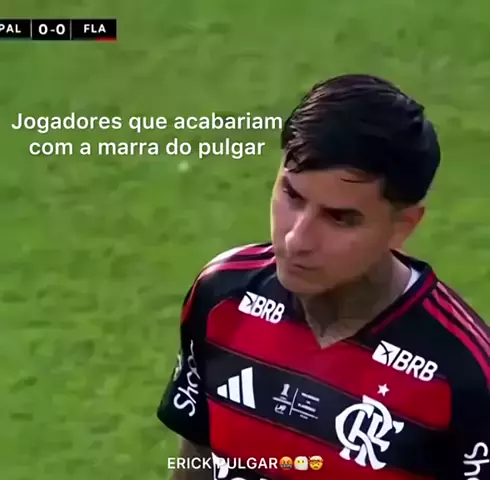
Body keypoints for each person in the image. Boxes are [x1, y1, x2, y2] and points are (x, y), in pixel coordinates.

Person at [156, 74, 490, 480]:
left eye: (339, 218)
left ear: (402, 226)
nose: (297, 239)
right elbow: (198, 461)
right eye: (292, 195)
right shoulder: (222, 297)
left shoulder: (465, 377)